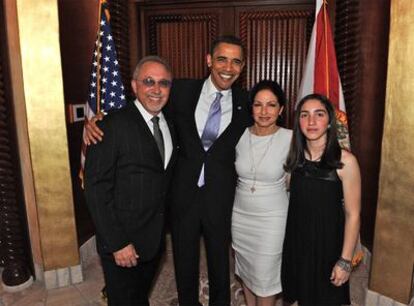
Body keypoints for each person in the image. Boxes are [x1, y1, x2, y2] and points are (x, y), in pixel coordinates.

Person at [84, 35, 251, 306]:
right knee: (184, 263)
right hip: (181, 197)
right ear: (209, 60)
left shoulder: (247, 102)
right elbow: (143, 106)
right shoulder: (181, 91)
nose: (228, 67)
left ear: (242, 67)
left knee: (220, 265)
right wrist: (98, 120)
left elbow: (269, 122)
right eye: (222, 59)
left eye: (236, 62)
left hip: (220, 197)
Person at [84, 56, 177, 306]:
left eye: (164, 83)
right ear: (134, 86)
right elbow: (95, 188)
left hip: (153, 240)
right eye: (149, 81)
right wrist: (117, 243)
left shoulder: (172, 123)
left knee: (139, 297)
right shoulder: (109, 126)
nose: (156, 89)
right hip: (122, 243)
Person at [281, 94, 361, 306]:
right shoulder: (294, 158)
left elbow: (353, 215)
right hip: (297, 244)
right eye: (304, 115)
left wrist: (344, 261)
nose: (312, 121)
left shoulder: (346, 161)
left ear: (329, 122)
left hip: (328, 248)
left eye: (319, 114)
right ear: (298, 122)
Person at [231, 80, 292, 306]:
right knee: (247, 271)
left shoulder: (291, 138)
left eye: (271, 105)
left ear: (281, 109)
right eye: (258, 105)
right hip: (240, 215)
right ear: (251, 108)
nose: (264, 112)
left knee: (265, 278)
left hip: (272, 219)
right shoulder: (238, 135)